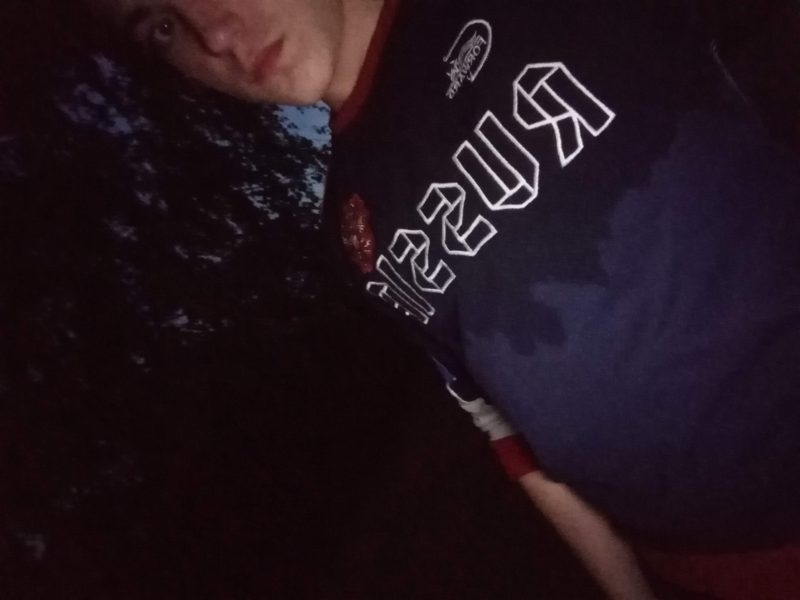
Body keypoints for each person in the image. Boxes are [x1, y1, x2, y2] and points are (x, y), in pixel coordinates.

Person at [83, 1, 800, 598]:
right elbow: (505, 429)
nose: (215, 35)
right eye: (162, 27)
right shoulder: (347, 224)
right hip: (703, 560)